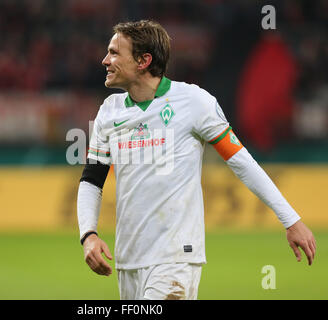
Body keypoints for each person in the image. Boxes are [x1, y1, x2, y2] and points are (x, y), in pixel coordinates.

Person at [76, 20, 316, 300]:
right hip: (128, 260)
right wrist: (88, 235)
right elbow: (92, 180)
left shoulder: (193, 102)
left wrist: (291, 220)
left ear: (143, 60)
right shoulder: (109, 110)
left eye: (115, 52)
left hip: (176, 257)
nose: (105, 60)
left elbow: (242, 161)